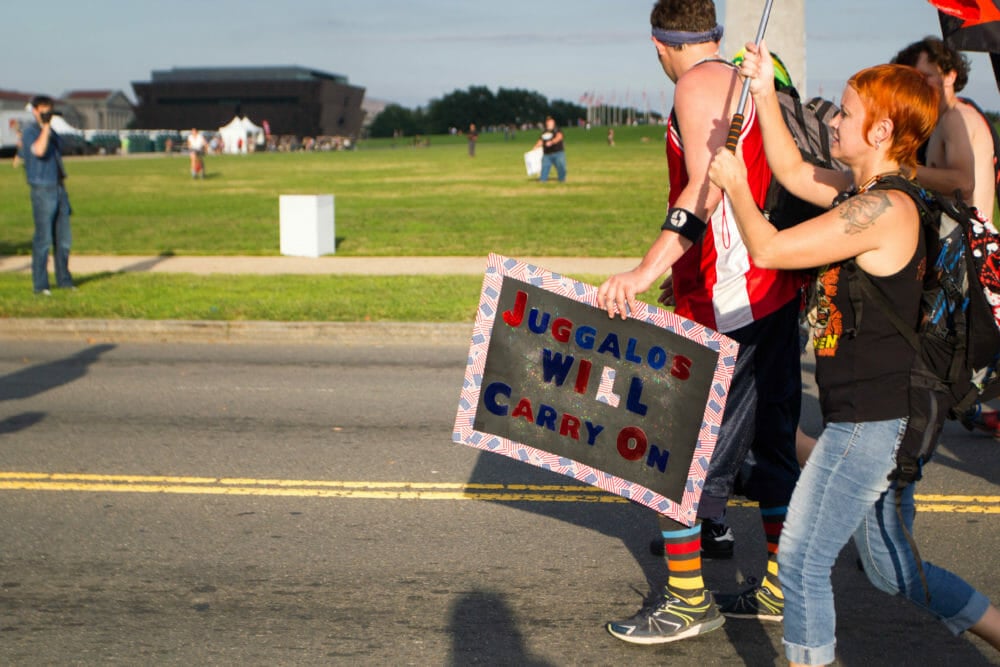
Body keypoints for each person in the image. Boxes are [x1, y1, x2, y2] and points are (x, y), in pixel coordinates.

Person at [709, 41, 1000, 666]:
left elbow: (768, 249)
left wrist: (734, 185)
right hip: (873, 413)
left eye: (844, 112)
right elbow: (791, 173)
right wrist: (762, 92)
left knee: (801, 557)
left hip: (875, 419)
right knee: (894, 570)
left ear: (883, 129)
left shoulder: (883, 208)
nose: (834, 122)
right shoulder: (865, 190)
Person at [597, 0, 803, 644]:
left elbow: (701, 190)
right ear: (712, 31)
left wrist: (642, 267)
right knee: (771, 448)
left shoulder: (694, 83)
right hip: (772, 289)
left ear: (659, 42)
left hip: (728, 299)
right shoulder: (748, 74)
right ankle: (778, 585)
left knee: (669, 450)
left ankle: (688, 600)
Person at [893, 36, 1000, 438]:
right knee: (954, 345)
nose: (922, 85)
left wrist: (903, 171)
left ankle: (916, 428)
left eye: (928, 77)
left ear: (951, 74)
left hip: (967, 250)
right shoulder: (942, 117)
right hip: (960, 247)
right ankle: (964, 408)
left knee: (936, 342)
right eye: (915, 79)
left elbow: (962, 181)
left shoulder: (956, 117)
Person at [20, 95, 74, 296]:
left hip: (59, 187)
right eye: (42, 109)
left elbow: (63, 147)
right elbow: (39, 151)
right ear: (34, 110)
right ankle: (40, 285)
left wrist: (51, 128)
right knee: (43, 239)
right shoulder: (30, 131)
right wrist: (44, 128)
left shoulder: (52, 131)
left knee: (64, 239)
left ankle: (64, 280)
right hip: (42, 188)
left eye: (48, 109)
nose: (46, 113)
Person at [533, 116, 567, 182]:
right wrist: (536, 146)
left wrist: (552, 142)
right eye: (548, 122)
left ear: (553, 122)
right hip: (547, 154)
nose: (549, 123)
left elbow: (560, 136)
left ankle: (562, 180)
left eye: (551, 122)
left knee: (561, 167)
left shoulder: (557, 129)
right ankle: (543, 180)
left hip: (558, 152)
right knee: (545, 168)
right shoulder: (544, 131)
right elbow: (541, 140)